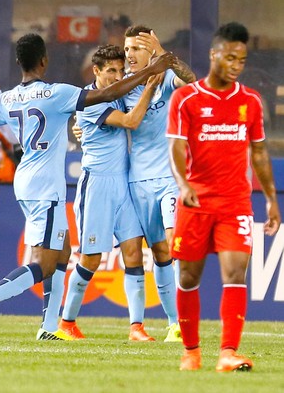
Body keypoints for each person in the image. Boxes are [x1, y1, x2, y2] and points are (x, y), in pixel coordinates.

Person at [0, 33, 176, 340]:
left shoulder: (6, 98)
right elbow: (104, 98)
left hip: (30, 181)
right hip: (46, 187)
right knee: (44, 264)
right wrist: (148, 74)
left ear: (19, 62)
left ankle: (50, 328)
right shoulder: (57, 93)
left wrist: (12, 147)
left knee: (61, 256)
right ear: (45, 60)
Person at [166, 22, 281, 371]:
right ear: (213, 54)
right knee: (188, 277)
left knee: (235, 272)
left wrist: (272, 199)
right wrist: (184, 185)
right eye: (230, 57)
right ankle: (191, 352)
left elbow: (259, 153)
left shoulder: (250, 102)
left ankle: (228, 353)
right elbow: (176, 147)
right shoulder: (185, 98)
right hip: (196, 200)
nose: (236, 65)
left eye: (242, 60)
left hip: (235, 202)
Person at [59, 45, 161, 341]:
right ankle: (67, 322)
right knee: (90, 259)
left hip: (124, 183)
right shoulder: (90, 102)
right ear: (96, 72)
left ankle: (136, 327)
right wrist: (149, 86)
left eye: (120, 70)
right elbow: (131, 121)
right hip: (98, 186)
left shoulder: (119, 93)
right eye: (111, 71)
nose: (117, 76)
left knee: (133, 253)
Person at [122, 25, 196, 342]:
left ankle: (178, 324)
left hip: (168, 177)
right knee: (156, 252)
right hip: (136, 179)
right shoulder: (122, 86)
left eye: (137, 49)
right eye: (126, 50)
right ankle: (154, 324)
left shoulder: (166, 79)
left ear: (150, 50)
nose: (130, 55)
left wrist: (165, 57)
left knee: (171, 242)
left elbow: (193, 83)